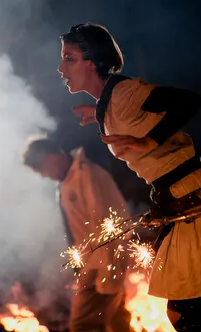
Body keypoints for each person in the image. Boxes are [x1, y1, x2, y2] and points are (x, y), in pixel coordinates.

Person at [56, 22, 201, 332]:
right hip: (181, 203)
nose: (60, 67)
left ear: (92, 63)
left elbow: (187, 101)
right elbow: (127, 112)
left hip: (193, 202)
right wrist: (98, 113)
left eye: (69, 58)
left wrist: (150, 140)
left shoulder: (123, 93)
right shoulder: (111, 101)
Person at [22, 136, 131, 332]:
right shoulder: (67, 182)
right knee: (117, 322)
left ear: (52, 156)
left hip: (101, 267)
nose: (43, 175)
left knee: (83, 326)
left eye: (41, 168)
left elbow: (108, 223)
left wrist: (108, 273)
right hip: (93, 265)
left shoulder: (87, 176)